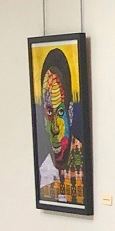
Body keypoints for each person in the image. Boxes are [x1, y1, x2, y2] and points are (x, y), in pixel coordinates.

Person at [36, 48, 84, 201]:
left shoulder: (81, 157)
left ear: (70, 112)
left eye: (60, 112)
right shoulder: (43, 165)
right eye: (49, 113)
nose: (55, 129)